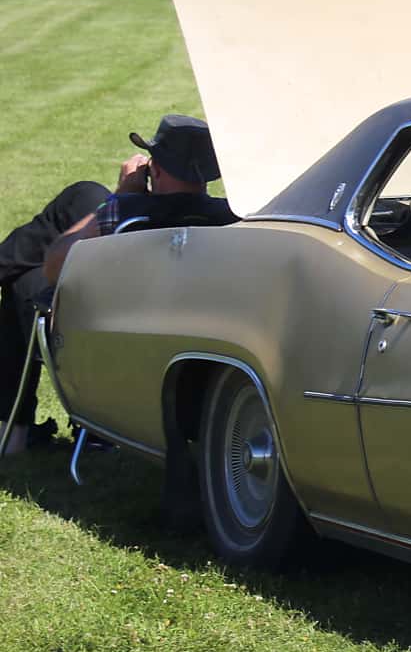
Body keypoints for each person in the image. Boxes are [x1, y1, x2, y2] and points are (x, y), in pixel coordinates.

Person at [0, 117, 236, 454]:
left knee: (24, 279)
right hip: (188, 350)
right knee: (82, 194)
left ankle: (12, 432)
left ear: (154, 169)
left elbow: (54, 266)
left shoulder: (125, 211)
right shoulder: (231, 216)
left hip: (105, 342)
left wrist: (120, 194)